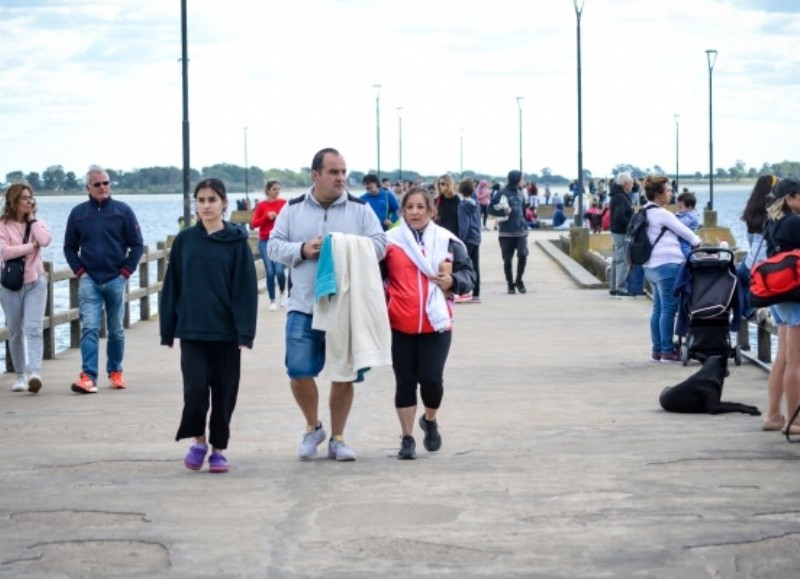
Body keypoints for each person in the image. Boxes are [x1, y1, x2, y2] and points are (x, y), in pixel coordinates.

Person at [268, 148, 386, 461]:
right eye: (334, 172)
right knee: (297, 371)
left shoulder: (360, 210)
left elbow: (379, 245)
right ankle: (313, 426)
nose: (341, 178)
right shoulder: (292, 210)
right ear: (316, 175)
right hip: (303, 304)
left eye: (344, 172)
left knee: (344, 373)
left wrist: (343, 247)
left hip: (344, 307)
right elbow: (274, 247)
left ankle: (338, 437)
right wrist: (303, 249)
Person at [160, 178, 258, 473]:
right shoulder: (185, 240)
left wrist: (245, 331)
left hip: (227, 332)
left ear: (224, 203)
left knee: (225, 391)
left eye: (211, 200)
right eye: (200, 200)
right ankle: (198, 441)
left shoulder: (237, 241)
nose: (205, 206)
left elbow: (245, 288)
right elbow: (172, 285)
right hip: (192, 329)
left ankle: (218, 450)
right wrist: (168, 328)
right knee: (195, 389)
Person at [382, 186, 475, 459]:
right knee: (405, 381)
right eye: (409, 207)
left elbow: (470, 274)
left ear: (431, 210)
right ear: (402, 211)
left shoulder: (448, 241)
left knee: (432, 380)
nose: (414, 212)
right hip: (400, 323)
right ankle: (407, 438)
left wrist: (453, 281)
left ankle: (430, 421)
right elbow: (373, 279)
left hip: (437, 324)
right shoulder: (389, 242)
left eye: (420, 207)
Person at [64, 165, 143, 393]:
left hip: (116, 279)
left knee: (116, 329)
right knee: (89, 328)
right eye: (97, 184)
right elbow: (69, 248)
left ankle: (115, 372)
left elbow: (137, 244)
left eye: (106, 183)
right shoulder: (78, 214)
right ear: (88, 188)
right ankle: (88, 377)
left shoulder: (123, 211)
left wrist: (125, 273)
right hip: (89, 280)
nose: (103, 187)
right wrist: (81, 272)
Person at [640, 175, 701, 363]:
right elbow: (692, 237)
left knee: (658, 308)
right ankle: (667, 351)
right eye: (667, 190)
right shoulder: (663, 214)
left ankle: (657, 350)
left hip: (649, 266)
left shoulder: (644, 211)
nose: (671, 193)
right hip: (667, 265)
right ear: (658, 194)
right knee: (668, 309)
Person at [0, 184, 52, 393]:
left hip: (35, 282)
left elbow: (46, 240)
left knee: (34, 329)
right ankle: (20, 375)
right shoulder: (3, 225)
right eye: (24, 198)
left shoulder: (37, 223)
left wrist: (32, 221)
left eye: (30, 197)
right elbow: (4, 252)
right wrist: (30, 247)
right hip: (11, 285)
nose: (29, 201)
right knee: (15, 331)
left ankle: (34, 373)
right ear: (13, 201)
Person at [760, 178, 800, 434]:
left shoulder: (770, 223)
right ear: (790, 198)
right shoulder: (795, 222)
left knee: (782, 359)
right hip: (796, 294)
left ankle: (773, 415)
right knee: (796, 362)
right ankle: (795, 421)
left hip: (777, 292)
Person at [738, 175, 775, 321]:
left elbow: (750, 238)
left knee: (739, 276)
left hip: (753, 263)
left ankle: (749, 311)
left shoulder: (751, 209)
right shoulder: (775, 207)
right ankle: (763, 308)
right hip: (771, 262)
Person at [488, 170, 529, 294]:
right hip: (506, 233)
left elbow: (523, 211)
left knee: (523, 255)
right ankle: (510, 284)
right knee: (507, 259)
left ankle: (519, 280)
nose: (523, 181)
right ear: (516, 180)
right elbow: (491, 209)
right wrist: (504, 212)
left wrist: (525, 225)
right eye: (522, 179)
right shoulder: (501, 193)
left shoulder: (521, 193)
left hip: (521, 231)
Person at [250, 180, 287, 311]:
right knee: (270, 272)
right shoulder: (261, 205)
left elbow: (289, 220)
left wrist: (278, 218)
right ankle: (272, 300)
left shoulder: (284, 203)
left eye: (278, 189)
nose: (277, 192)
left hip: (280, 241)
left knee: (279, 271)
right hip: (265, 242)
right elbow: (253, 224)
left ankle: (282, 293)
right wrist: (267, 217)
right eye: (274, 189)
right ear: (268, 191)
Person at [609, 172, 635, 298]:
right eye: (631, 183)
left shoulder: (617, 195)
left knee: (616, 260)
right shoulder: (620, 197)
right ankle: (620, 288)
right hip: (621, 231)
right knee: (623, 260)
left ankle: (614, 287)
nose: (632, 185)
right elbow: (619, 216)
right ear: (625, 184)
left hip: (616, 231)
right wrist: (632, 223)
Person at [457, 178, 482, 303]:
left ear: (461, 190)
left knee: (463, 266)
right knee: (475, 266)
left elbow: (464, 225)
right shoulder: (476, 204)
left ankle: (464, 291)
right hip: (476, 237)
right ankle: (476, 293)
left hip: (467, 239)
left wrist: (460, 240)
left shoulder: (462, 205)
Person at [675, 191, 699, 257]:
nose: (678, 209)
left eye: (680, 207)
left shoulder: (691, 215)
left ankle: (692, 261)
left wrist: (673, 218)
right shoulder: (684, 212)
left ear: (690, 207)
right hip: (682, 236)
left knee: (684, 248)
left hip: (686, 238)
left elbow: (680, 223)